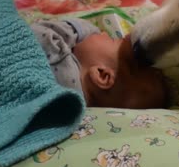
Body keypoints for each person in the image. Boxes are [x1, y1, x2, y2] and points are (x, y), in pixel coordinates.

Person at [31, 18, 167, 109]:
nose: (102, 33)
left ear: (102, 75)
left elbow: (36, 33)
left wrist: (78, 29)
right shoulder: (72, 107)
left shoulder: (58, 58)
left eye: (112, 40)